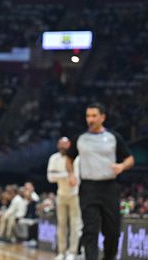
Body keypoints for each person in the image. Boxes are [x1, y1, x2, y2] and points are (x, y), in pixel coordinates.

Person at [66, 103, 134, 260]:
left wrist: (122, 166)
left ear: (102, 117)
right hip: (88, 188)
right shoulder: (80, 138)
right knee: (90, 230)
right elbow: (69, 159)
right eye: (88, 116)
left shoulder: (113, 137)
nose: (90, 119)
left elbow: (130, 158)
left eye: (94, 116)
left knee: (112, 231)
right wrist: (71, 174)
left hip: (109, 187)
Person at [47, 137, 81, 260]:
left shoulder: (77, 159)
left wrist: (59, 174)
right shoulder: (54, 158)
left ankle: (72, 252)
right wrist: (66, 174)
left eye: (65, 145)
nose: (63, 147)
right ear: (58, 146)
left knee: (75, 224)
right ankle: (61, 252)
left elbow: (77, 179)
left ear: (69, 146)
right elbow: (50, 178)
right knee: (61, 224)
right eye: (61, 145)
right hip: (61, 194)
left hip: (75, 195)